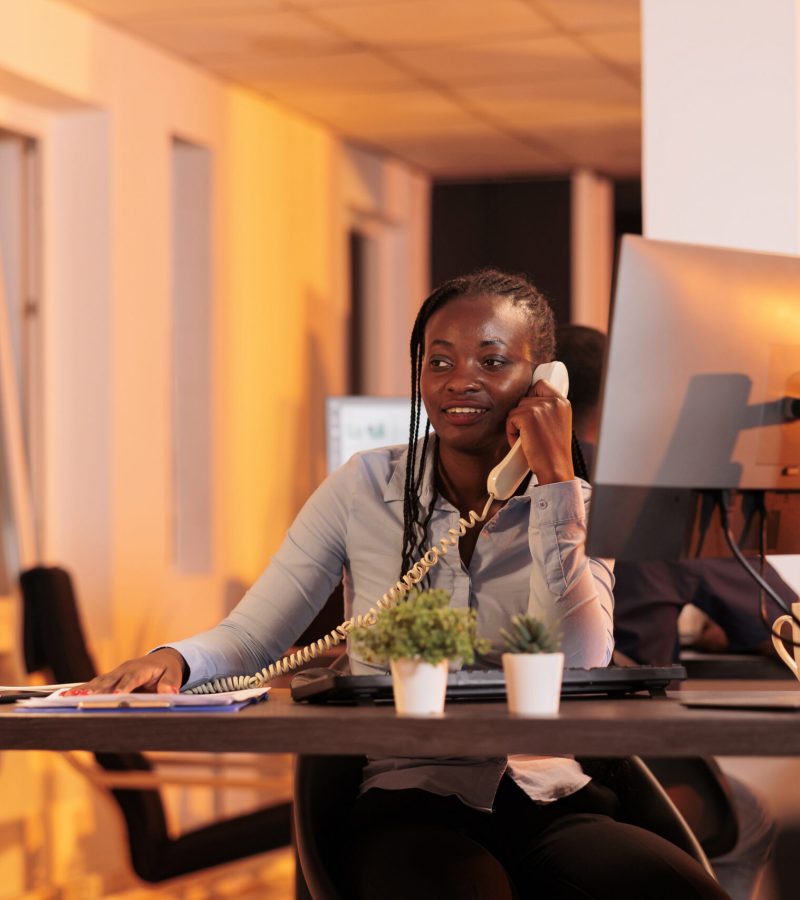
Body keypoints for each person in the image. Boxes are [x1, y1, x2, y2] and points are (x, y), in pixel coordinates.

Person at [81, 272, 727, 899]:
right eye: (439, 362)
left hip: (548, 793)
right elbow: (254, 636)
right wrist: (172, 660)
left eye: (491, 360)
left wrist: (558, 487)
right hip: (412, 801)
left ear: (542, 384)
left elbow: (579, 659)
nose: (459, 381)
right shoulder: (365, 487)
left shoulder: (576, 500)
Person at [557, 322, 779, 900]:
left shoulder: (493, 489)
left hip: (525, 761)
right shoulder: (661, 494)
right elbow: (783, 624)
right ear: (625, 396)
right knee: (751, 819)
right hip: (633, 771)